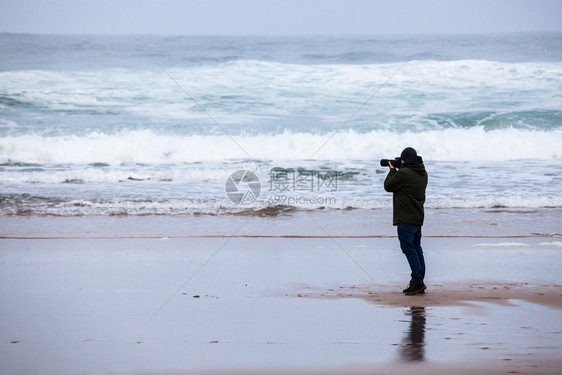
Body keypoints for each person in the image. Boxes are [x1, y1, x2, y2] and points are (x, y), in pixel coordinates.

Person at [384, 147, 428, 295]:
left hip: (405, 218)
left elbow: (388, 186)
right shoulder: (422, 172)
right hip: (417, 218)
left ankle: (417, 281)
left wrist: (392, 170)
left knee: (409, 249)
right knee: (416, 248)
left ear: (404, 160)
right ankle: (419, 280)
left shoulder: (404, 173)